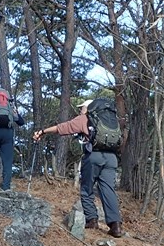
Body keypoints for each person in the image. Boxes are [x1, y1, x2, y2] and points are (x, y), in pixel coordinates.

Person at [34, 98, 123, 238]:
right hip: (111, 158)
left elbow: (63, 128)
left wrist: (43, 131)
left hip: (93, 156)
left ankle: (92, 220)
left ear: (88, 108)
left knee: (86, 188)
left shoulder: (85, 119)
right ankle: (115, 226)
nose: (80, 110)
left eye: (82, 108)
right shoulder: (112, 120)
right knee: (108, 190)